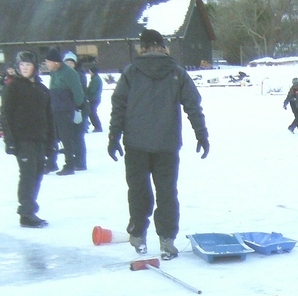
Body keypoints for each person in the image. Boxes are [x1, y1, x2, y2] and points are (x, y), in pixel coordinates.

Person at [107, 28, 209, 259]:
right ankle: (166, 240)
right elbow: (193, 105)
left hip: (136, 144)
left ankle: (138, 235)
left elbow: (119, 106)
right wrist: (201, 134)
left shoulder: (131, 73)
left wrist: (114, 136)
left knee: (138, 190)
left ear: (142, 48)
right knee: (166, 192)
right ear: (163, 47)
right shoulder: (177, 72)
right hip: (167, 144)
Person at [0, 51, 56, 228]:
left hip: (39, 137)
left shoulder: (41, 89)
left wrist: (51, 143)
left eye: (28, 65)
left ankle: (30, 209)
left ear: (34, 68)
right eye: (21, 65)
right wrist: (9, 140)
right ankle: (26, 212)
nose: (24, 68)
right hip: (22, 139)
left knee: (38, 173)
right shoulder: (13, 87)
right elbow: (5, 115)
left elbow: (49, 117)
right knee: (28, 174)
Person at [44, 47, 85, 175]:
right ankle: (51, 163)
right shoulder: (54, 72)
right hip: (54, 109)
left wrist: (77, 107)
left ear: (56, 62)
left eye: (48, 61)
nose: (46, 64)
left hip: (65, 110)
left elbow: (78, 93)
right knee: (52, 137)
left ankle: (70, 165)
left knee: (66, 138)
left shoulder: (70, 73)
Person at [62, 52, 88, 170]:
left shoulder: (78, 75)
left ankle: (80, 162)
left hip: (78, 109)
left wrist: (78, 107)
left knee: (78, 136)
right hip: (69, 109)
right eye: (66, 62)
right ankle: (76, 160)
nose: (69, 64)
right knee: (72, 136)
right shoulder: (65, 74)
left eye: (71, 62)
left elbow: (78, 93)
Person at [86, 66, 103, 132]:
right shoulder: (96, 78)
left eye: (90, 71)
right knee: (91, 112)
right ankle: (97, 126)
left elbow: (91, 90)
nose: (89, 72)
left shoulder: (95, 79)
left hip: (94, 99)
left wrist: (86, 92)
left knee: (92, 113)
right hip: (95, 98)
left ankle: (98, 127)